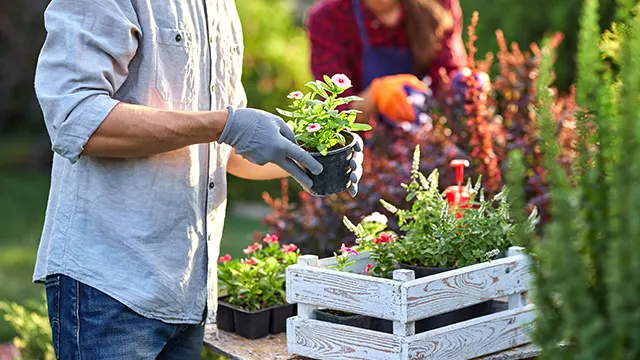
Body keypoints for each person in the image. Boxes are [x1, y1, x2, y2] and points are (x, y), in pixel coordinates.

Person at [32, 0, 363, 359]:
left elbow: (228, 151)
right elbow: (75, 119)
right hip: (110, 287)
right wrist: (225, 125)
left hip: (188, 293)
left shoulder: (220, 7)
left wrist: (312, 160)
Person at [306, 0, 467, 126]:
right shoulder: (328, 18)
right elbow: (336, 113)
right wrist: (375, 96)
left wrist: (467, 84)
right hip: (368, 150)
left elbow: (448, 76)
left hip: (429, 133)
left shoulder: (438, 4)